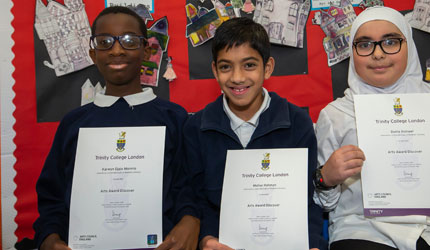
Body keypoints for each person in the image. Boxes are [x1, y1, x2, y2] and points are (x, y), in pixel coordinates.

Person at [313, 6, 430, 250]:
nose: (378, 54)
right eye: (365, 44)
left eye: (390, 42)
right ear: (353, 51)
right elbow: (324, 203)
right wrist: (326, 178)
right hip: (366, 232)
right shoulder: (336, 115)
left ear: (409, 45)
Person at [33, 6, 199, 250]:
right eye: (105, 41)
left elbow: (189, 186)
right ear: (92, 53)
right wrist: (50, 238)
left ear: (146, 50)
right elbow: (52, 197)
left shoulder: (174, 118)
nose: (117, 50)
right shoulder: (74, 123)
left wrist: (190, 219)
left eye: (130, 41)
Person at [179, 17, 328, 250]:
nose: (237, 77)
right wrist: (206, 239)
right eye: (226, 66)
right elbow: (196, 200)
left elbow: (307, 199)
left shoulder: (297, 122)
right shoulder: (196, 127)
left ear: (267, 68)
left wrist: (311, 243)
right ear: (215, 71)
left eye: (249, 65)